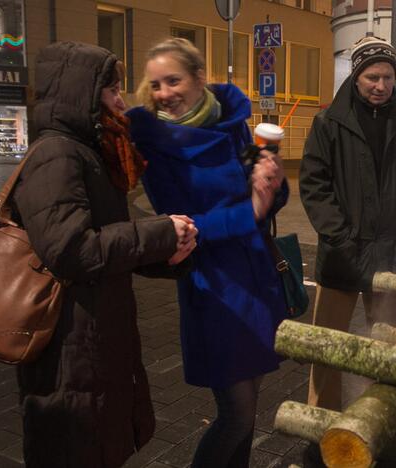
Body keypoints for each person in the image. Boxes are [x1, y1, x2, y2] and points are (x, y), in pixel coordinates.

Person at [12, 42, 197, 468]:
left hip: (96, 336)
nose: (121, 101)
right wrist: (158, 235)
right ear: (82, 92)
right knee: (75, 450)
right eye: (112, 90)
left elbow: (116, 238)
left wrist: (170, 250)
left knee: (99, 447)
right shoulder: (57, 155)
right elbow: (72, 249)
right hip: (68, 346)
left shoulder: (91, 155)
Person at [126, 38, 288, 468]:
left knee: (250, 408)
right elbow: (179, 223)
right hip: (215, 286)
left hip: (256, 277)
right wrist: (247, 210)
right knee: (235, 414)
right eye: (156, 84)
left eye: (173, 80)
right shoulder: (157, 144)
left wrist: (272, 179)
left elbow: (264, 191)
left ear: (200, 78)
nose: (164, 93)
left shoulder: (234, 123)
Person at [300, 36, 396, 411]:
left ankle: (382, 416)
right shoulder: (329, 121)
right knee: (327, 347)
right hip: (342, 254)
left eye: (387, 77)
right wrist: (340, 239)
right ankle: (319, 420)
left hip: (389, 255)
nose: (380, 85)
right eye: (372, 76)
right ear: (356, 76)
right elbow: (314, 184)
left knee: (387, 349)